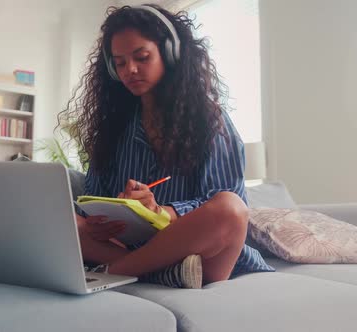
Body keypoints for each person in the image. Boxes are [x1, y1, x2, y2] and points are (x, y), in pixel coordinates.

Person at [59, 4, 274, 289]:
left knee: (229, 209)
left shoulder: (210, 121)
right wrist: (99, 217)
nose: (130, 70)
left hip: (198, 251)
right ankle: (164, 273)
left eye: (141, 57)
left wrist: (162, 211)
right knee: (63, 219)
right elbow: (95, 194)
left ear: (170, 53)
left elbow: (227, 198)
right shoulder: (113, 127)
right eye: (119, 63)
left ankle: (114, 271)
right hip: (130, 244)